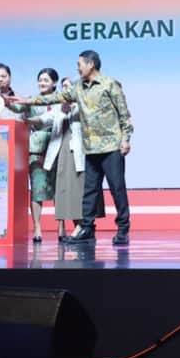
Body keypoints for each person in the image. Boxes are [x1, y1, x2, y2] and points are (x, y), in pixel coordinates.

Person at [12, 50, 133, 245]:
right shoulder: (77, 88)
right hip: (90, 148)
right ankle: (87, 229)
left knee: (117, 189)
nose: (77, 68)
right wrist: (27, 101)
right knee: (90, 191)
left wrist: (125, 139)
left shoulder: (110, 84)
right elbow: (54, 98)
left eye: (80, 64)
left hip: (111, 146)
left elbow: (124, 114)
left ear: (90, 64)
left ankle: (123, 229)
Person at [48, 77, 104, 241]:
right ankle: (81, 228)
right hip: (64, 151)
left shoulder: (85, 104)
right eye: (63, 87)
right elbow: (46, 118)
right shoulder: (60, 107)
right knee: (67, 189)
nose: (65, 90)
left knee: (81, 188)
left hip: (82, 151)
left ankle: (84, 226)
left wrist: (77, 107)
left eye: (68, 86)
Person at [23, 68, 60, 243]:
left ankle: (62, 226)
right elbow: (17, 108)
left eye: (46, 80)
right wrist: (6, 101)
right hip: (37, 149)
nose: (42, 83)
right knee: (37, 188)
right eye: (40, 80)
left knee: (60, 188)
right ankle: (37, 227)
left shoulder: (62, 99)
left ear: (54, 83)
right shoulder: (32, 101)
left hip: (58, 144)